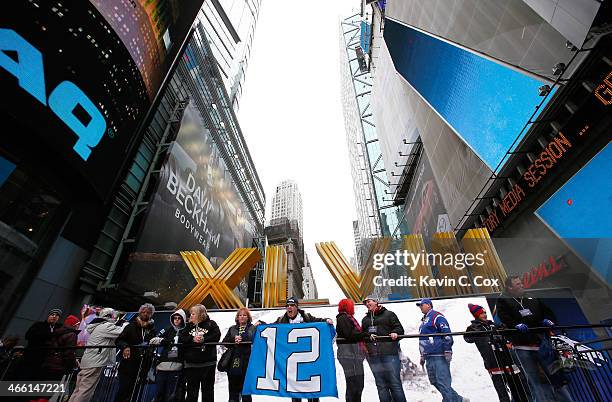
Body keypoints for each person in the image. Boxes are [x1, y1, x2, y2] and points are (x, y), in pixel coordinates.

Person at [495, 276, 574, 402]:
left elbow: (546, 311)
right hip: (522, 346)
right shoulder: (503, 301)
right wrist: (515, 325)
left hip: (541, 342)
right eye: (518, 284)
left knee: (555, 375)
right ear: (510, 287)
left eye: (521, 283)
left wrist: (547, 320)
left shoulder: (531, 297)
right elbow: (504, 317)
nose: (521, 285)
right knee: (534, 379)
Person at [464, 303, 529, 402]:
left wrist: (504, 330)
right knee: (502, 391)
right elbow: (467, 339)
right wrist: (472, 330)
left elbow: (506, 335)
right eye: (481, 313)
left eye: (485, 312)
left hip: (506, 360)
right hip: (493, 363)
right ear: (476, 315)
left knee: (518, 387)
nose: (484, 315)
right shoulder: (473, 327)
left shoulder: (493, 324)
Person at [275, 296, 333, 402]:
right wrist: (260, 323)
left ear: (297, 307)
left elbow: (319, 322)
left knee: (312, 390)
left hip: (308, 361)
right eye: (287, 305)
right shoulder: (281, 320)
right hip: (292, 363)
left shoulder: (306, 317)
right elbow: (270, 329)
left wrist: (326, 320)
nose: (289, 308)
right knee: (295, 390)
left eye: (292, 305)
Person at [68, 308, 129, 402]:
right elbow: (120, 332)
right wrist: (125, 324)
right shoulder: (106, 326)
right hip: (95, 362)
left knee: (79, 388)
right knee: (86, 391)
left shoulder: (97, 326)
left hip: (87, 360)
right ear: (110, 316)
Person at [417, 298, 466, 402]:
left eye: (422, 305)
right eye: (419, 305)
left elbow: (446, 332)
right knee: (434, 381)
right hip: (428, 356)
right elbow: (422, 339)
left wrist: (447, 350)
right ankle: (458, 399)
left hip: (439, 354)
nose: (420, 307)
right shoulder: (424, 321)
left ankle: (450, 400)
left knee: (443, 382)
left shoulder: (436, 316)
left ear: (429, 305)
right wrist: (422, 355)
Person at [361, 296, 407, 402]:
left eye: (369, 302)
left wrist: (396, 332)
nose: (367, 304)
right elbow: (362, 334)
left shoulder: (389, 314)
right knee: (381, 384)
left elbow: (400, 329)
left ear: (376, 302)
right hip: (373, 356)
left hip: (389, 354)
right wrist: (368, 335)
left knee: (394, 383)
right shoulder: (365, 320)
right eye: (365, 303)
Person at [179, 304, 221, 402]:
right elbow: (182, 338)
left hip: (208, 363)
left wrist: (204, 339)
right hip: (191, 364)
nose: (191, 316)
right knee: (191, 392)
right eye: (191, 314)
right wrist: (192, 339)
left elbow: (217, 336)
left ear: (200, 314)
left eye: (193, 314)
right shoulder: (188, 326)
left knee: (207, 392)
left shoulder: (211, 324)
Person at [115, 303, 156, 402]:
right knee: (124, 390)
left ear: (151, 314)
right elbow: (119, 340)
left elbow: (152, 345)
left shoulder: (152, 329)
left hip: (143, 365)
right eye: (143, 311)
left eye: (148, 312)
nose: (145, 314)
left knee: (136, 391)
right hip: (128, 364)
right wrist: (125, 347)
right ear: (139, 312)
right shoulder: (130, 326)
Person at [149, 309, 187, 402]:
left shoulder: (187, 331)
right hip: (163, 366)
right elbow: (153, 340)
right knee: (160, 393)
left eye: (179, 318)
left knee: (172, 395)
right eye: (175, 318)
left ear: (183, 319)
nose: (177, 320)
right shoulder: (167, 329)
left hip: (177, 367)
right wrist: (163, 341)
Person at [336, 298, 367, 402]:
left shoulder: (347, 318)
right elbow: (349, 334)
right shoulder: (343, 318)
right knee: (353, 386)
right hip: (349, 356)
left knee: (357, 385)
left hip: (353, 356)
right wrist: (365, 334)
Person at [221, 307, 256, 402]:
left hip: (247, 361)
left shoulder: (253, 328)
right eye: (240, 315)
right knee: (233, 389)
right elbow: (224, 342)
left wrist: (243, 339)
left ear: (248, 317)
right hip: (234, 361)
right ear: (237, 317)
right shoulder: (232, 329)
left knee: (245, 390)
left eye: (244, 315)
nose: (242, 317)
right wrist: (233, 340)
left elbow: (256, 341)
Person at [24, 308, 65, 381]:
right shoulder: (39, 325)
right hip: (33, 356)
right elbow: (28, 336)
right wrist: (49, 335)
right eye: (52, 314)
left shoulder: (58, 328)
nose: (54, 316)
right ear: (48, 316)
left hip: (46, 360)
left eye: (57, 315)